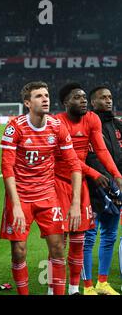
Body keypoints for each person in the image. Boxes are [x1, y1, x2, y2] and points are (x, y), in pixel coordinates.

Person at [0, 81, 82, 295]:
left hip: (47, 196)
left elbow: (74, 165)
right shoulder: (15, 126)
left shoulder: (56, 126)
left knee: (57, 249)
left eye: (46, 95)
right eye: (38, 96)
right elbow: (7, 167)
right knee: (19, 252)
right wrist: (15, 205)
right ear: (27, 102)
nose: (45, 99)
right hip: (20, 197)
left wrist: (75, 204)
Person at [53, 83, 122, 295]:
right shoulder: (57, 122)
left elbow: (101, 149)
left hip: (82, 181)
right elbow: (69, 156)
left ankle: (89, 286)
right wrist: (96, 174)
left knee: (89, 236)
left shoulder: (92, 119)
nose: (83, 100)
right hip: (60, 182)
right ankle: (62, 287)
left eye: (84, 96)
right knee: (60, 241)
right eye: (78, 97)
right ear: (66, 103)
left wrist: (117, 176)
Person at [81, 86, 122, 295]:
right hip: (93, 189)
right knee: (88, 238)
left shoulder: (117, 125)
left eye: (110, 97)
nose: (108, 101)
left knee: (110, 236)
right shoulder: (85, 126)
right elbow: (87, 158)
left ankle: (102, 283)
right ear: (93, 102)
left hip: (116, 190)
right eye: (103, 98)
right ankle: (87, 287)